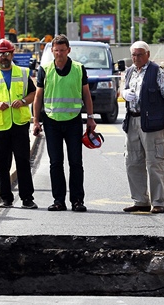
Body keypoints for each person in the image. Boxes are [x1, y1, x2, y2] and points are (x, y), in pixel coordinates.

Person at [32, 34, 96, 212]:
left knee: (76, 162)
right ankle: (58, 200)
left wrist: (90, 117)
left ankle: (77, 200)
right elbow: (38, 97)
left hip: (74, 121)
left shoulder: (78, 68)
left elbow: (86, 95)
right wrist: (36, 121)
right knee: (55, 162)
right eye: (56, 50)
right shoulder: (45, 69)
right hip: (51, 122)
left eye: (62, 50)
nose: (59, 53)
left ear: (69, 50)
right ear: (52, 51)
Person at [0, 39, 37, 209]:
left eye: (6, 53)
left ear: (12, 54)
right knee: (1, 165)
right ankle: (6, 198)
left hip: (19, 124)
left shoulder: (23, 73)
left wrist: (23, 101)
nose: (3, 57)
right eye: (0, 54)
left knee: (23, 162)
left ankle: (27, 198)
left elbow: (33, 93)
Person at [120, 41, 164, 214]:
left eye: (140, 54)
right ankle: (140, 200)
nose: (136, 58)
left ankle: (158, 202)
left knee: (155, 163)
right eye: (134, 55)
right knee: (133, 162)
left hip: (152, 124)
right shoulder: (129, 72)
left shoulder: (156, 71)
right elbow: (123, 91)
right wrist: (123, 93)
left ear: (147, 55)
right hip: (133, 121)